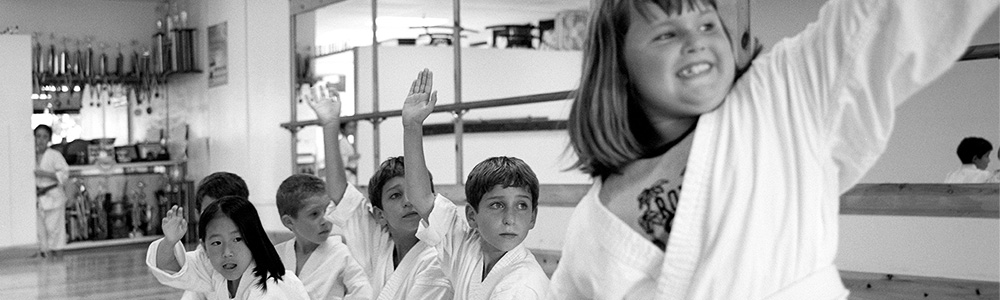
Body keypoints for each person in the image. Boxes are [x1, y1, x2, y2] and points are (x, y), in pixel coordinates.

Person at [553, 0, 998, 299]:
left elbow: (884, 15)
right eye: (667, 33)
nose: (698, 41)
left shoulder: (783, 95)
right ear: (618, 61)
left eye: (708, 23)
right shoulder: (592, 227)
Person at [402, 69, 550, 299]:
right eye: (497, 205)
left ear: (533, 217)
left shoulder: (522, 287)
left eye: (522, 206)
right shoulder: (466, 247)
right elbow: (420, 198)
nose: (510, 218)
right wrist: (412, 127)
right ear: (472, 216)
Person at [301, 83, 453, 299]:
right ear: (380, 215)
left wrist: (413, 127)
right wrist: (330, 126)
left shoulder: (439, 254)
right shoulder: (378, 242)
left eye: (414, 191)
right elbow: (341, 196)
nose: (409, 201)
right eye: (395, 195)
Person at [146, 197, 310, 299]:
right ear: (204, 247)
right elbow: (169, 266)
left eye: (237, 239)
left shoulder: (272, 289)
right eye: (216, 242)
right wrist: (170, 241)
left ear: (253, 239)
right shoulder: (215, 273)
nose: (227, 253)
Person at [274, 173, 374, 299]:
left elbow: (364, 292)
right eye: (314, 214)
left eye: (328, 210)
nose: (325, 220)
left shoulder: (342, 254)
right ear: (289, 222)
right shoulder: (275, 256)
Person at [180, 172, 252, 300]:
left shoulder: (263, 258)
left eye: (227, 213)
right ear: (197, 214)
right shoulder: (203, 254)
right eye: (209, 213)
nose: (219, 222)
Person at [34, 124, 69, 258]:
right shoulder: (30, 156)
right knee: (41, 235)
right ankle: (46, 265)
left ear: (49, 139)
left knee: (56, 234)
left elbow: (64, 174)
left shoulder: (54, 155)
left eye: (44, 137)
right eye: (38, 136)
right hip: (39, 199)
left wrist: (45, 174)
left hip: (54, 197)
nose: (41, 140)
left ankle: (59, 265)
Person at [340, 121, 360, 185]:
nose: (352, 129)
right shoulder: (342, 142)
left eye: (353, 127)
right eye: (349, 127)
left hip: (351, 172)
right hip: (347, 172)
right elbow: (341, 159)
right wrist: (353, 157)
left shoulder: (348, 142)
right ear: (343, 129)